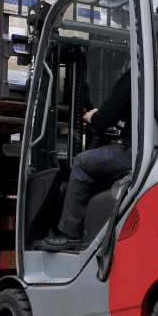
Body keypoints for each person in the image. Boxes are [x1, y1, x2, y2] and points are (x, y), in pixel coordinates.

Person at [44, 69, 133, 250]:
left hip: (133, 154)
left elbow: (106, 116)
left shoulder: (140, 72)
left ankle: (71, 234)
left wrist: (94, 116)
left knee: (83, 162)